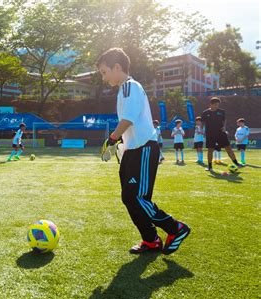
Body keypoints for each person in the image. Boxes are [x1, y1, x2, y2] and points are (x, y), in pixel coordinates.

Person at [97, 48, 190, 255]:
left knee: (138, 198)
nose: (104, 78)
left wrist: (112, 139)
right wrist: (118, 142)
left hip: (144, 149)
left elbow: (128, 119)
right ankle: (151, 240)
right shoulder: (124, 89)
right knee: (129, 197)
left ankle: (176, 228)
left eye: (104, 72)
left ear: (117, 67)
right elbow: (130, 123)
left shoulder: (130, 86)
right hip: (132, 150)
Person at [201, 97, 241, 171]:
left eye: (218, 105)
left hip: (221, 133)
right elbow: (202, 122)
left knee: (228, 148)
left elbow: (224, 119)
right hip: (210, 134)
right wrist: (201, 130)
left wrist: (224, 127)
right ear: (211, 104)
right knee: (210, 149)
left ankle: (237, 164)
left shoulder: (222, 111)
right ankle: (210, 167)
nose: (217, 106)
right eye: (215, 105)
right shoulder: (205, 113)